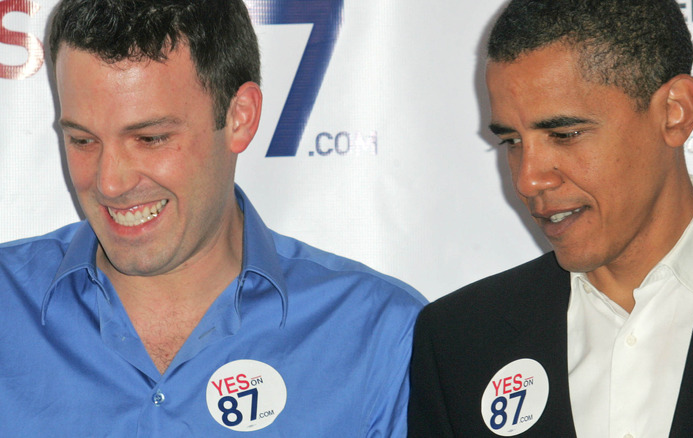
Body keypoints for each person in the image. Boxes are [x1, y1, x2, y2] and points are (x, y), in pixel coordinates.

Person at [0, 0, 426, 435]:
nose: (110, 182)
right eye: (83, 140)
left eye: (150, 138)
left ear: (240, 117)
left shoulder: (380, 334)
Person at [408, 0, 693, 437]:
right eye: (511, 141)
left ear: (676, 111)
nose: (528, 180)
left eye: (565, 135)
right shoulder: (460, 340)